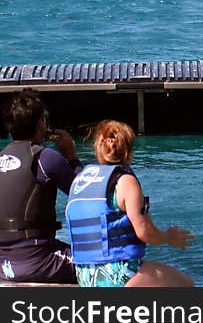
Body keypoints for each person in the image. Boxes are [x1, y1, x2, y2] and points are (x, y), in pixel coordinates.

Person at [65, 119, 195, 287]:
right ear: (128, 153)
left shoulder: (79, 181)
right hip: (117, 274)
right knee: (186, 284)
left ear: (98, 149)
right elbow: (145, 232)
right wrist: (169, 237)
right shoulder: (125, 181)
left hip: (85, 275)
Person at [0, 88, 83, 284]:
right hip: (38, 260)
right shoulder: (45, 158)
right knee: (107, 266)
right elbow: (85, 194)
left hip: (3, 263)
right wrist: (71, 156)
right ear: (40, 123)